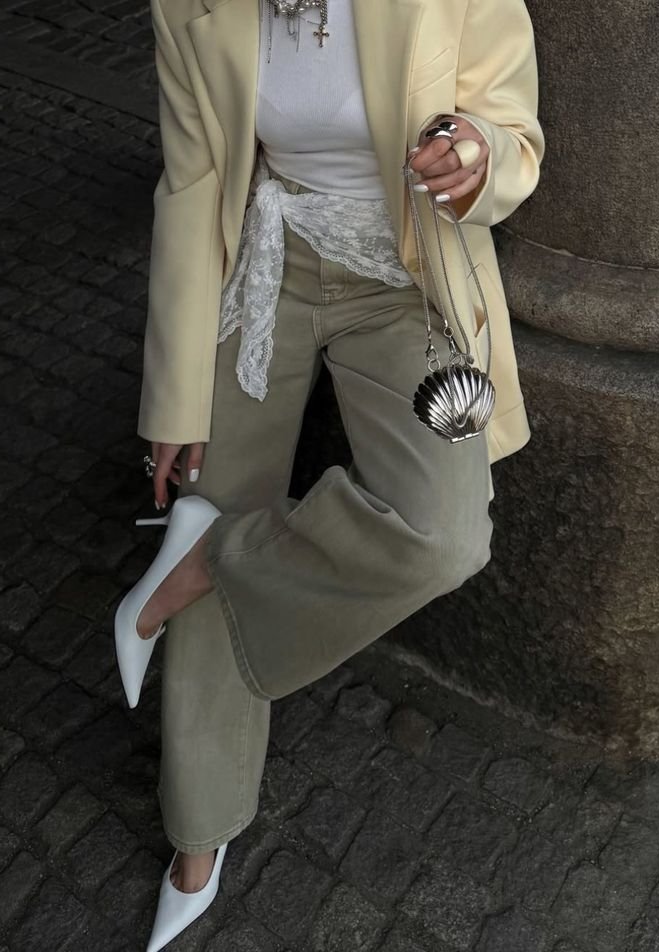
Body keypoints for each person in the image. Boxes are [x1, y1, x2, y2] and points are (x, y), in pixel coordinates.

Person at [114, 0, 545, 948]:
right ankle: (200, 832)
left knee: (443, 535)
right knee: (221, 484)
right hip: (266, 258)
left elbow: (517, 140)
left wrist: (476, 152)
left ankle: (208, 556)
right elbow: (193, 184)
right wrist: (175, 401)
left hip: (406, 276)